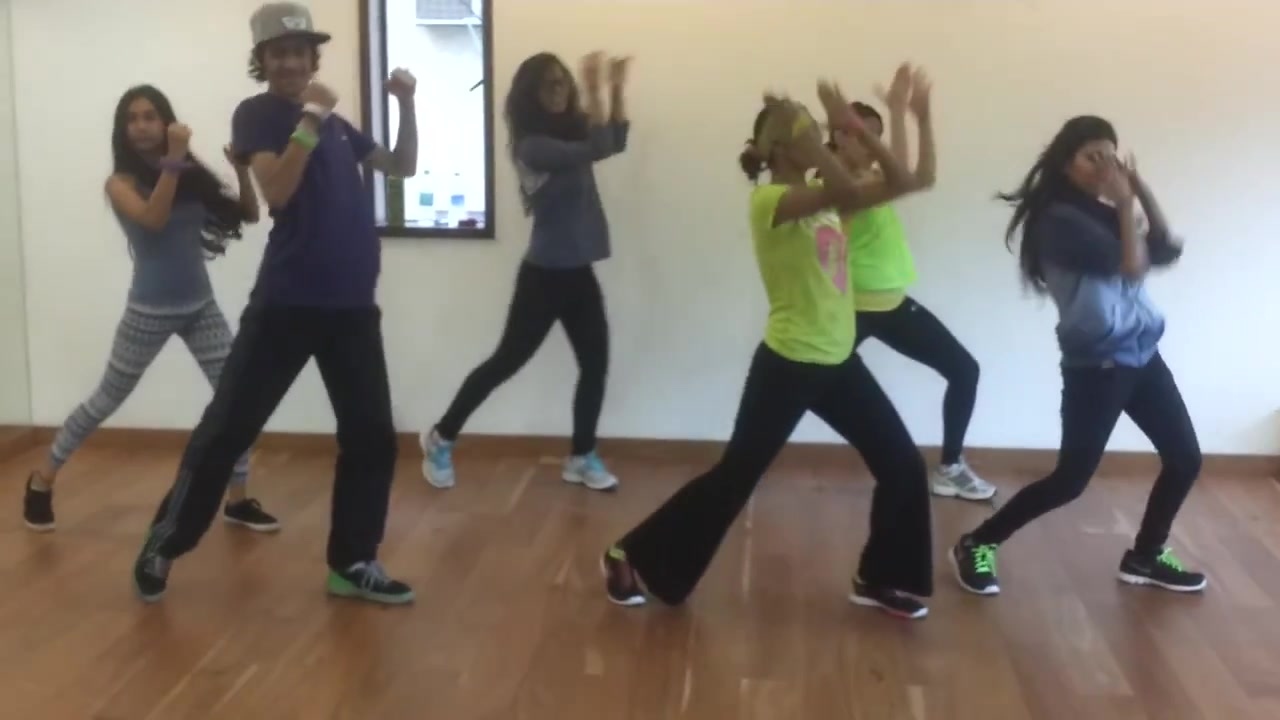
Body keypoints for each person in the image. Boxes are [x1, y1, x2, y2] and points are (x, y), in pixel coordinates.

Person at [601, 72, 938, 620]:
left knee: (902, 465)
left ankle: (880, 577)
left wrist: (887, 121)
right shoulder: (771, 202)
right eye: (807, 132)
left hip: (838, 360)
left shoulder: (827, 201)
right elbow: (847, 188)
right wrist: (825, 130)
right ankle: (629, 553)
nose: (820, 138)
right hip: (789, 363)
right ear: (781, 146)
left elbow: (910, 180)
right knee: (736, 477)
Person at [131, 1, 419, 605]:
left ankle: (353, 562)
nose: (290, 62)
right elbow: (279, 192)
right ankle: (165, 541)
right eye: (278, 53)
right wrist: (311, 115)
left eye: (299, 52)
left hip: (352, 308)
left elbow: (401, 167)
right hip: (288, 304)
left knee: (372, 437)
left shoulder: (339, 128)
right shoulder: (259, 114)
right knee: (228, 431)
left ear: (313, 58)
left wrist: (406, 104)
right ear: (262, 61)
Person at [950, 115, 1206, 596]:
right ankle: (977, 542)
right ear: (1066, 163)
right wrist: (1126, 204)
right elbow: (1132, 266)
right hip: (1098, 366)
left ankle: (1146, 555)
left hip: (1142, 356)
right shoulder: (1058, 222)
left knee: (1185, 459)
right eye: (1092, 157)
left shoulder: (1101, 213)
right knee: (1070, 481)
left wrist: (1140, 192)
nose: (1105, 166)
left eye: (1111, 156)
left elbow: (1164, 250)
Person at [21, 85, 279, 535]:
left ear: (165, 122)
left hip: (200, 306)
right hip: (149, 311)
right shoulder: (119, 184)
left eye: (149, 116)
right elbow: (154, 219)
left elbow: (248, 214)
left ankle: (237, 500)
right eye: (132, 118)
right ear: (123, 130)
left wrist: (241, 170)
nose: (141, 126)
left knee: (236, 397)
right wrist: (174, 159)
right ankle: (41, 481)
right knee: (106, 399)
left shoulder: (188, 173)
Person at [420, 51, 631, 493]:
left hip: (578, 271)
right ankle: (441, 437)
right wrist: (597, 88)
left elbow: (615, 141)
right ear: (531, 95)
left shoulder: (567, 134)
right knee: (506, 361)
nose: (559, 90)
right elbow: (598, 146)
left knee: (595, 365)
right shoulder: (532, 146)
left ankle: (582, 456)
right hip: (545, 276)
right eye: (549, 84)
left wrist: (614, 89)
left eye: (563, 81)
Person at [832, 64, 995, 502]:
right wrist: (900, 113)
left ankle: (950, 467)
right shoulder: (835, 185)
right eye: (860, 136)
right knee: (801, 386)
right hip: (851, 310)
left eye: (875, 138)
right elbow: (909, 176)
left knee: (964, 370)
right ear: (838, 137)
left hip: (892, 306)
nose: (871, 148)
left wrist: (916, 117)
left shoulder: (872, 179)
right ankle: (746, 463)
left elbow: (916, 176)